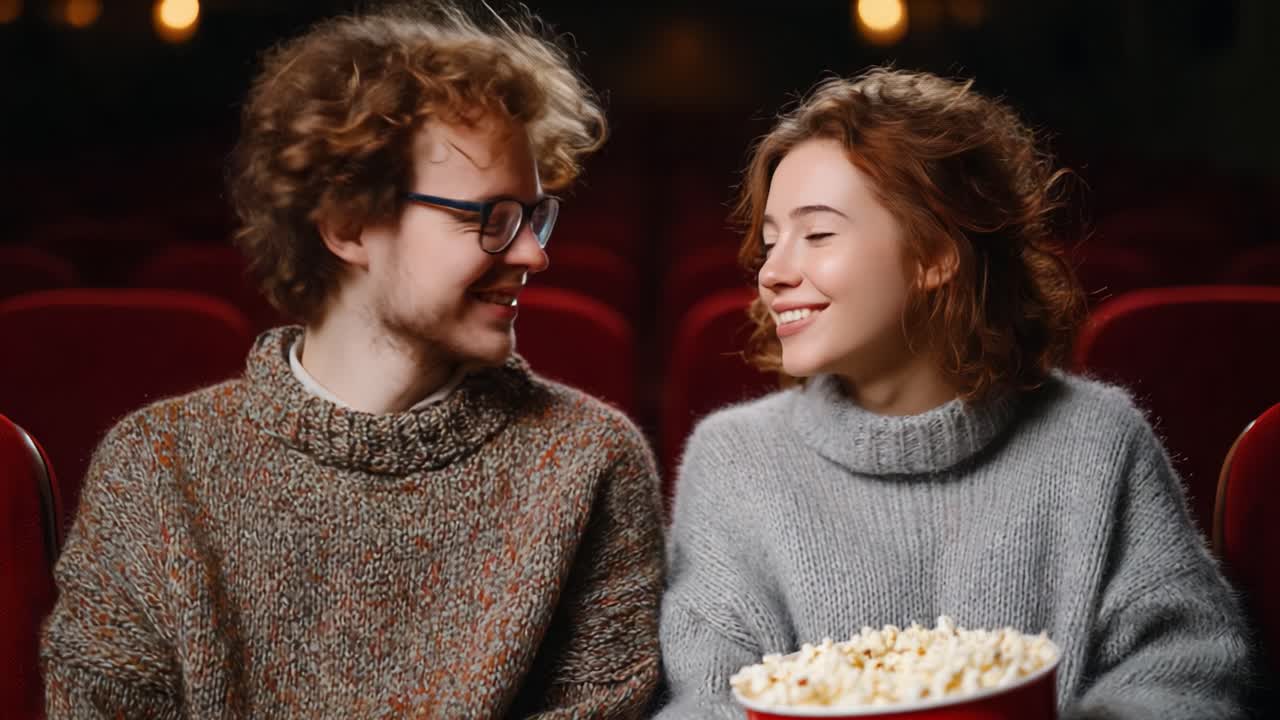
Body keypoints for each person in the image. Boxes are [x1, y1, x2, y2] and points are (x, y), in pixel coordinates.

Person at [41, 3, 664, 717]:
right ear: (347, 226)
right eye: (488, 217)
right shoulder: (153, 469)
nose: (533, 253)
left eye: (532, 216)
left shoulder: (590, 465)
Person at [656, 68, 1252, 719]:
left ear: (936, 253)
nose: (772, 272)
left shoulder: (1100, 442)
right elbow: (705, 703)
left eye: (818, 234)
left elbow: (1189, 673)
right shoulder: (733, 460)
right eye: (770, 242)